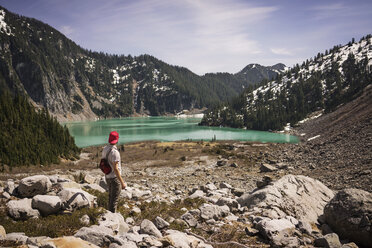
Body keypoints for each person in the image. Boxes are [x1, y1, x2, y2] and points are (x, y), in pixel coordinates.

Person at [102, 131, 126, 212]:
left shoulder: (105, 149)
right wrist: (122, 182)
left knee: (110, 198)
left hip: (107, 176)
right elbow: (116, 169)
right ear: (117, 140)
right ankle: (112, 219)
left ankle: (108, 214)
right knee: (114, 200)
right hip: (114, 179)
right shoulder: (115, 152)